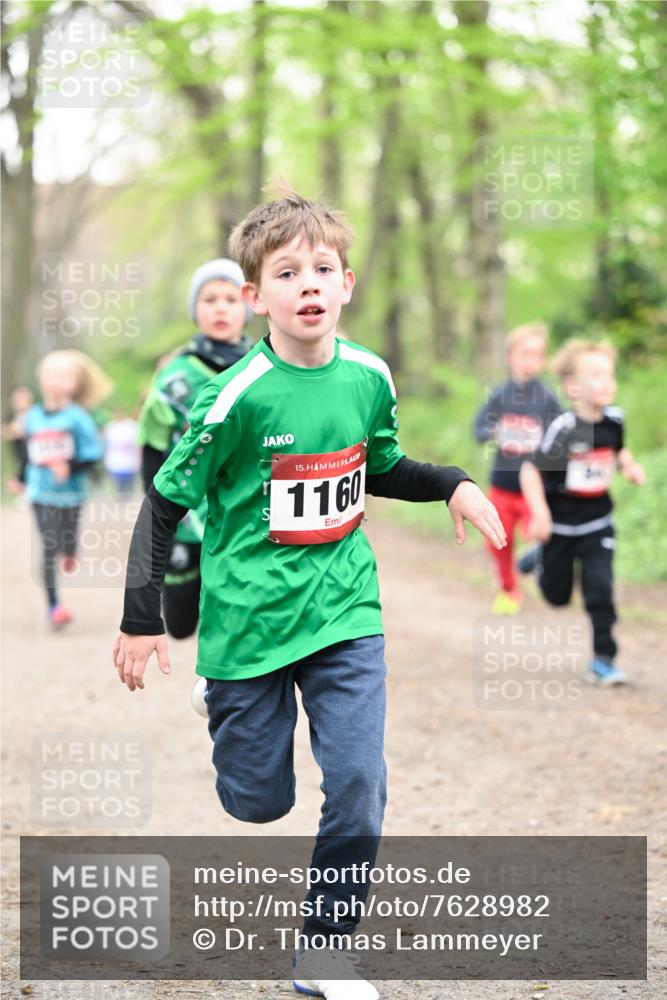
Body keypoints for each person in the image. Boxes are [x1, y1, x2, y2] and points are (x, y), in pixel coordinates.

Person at [112, 184, 506, 1000]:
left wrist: (453, 484)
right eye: (287, 273)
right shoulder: (235, 397)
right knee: (257, 803)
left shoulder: (367, 375)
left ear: (347, 283)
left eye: (322, 268)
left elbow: (384, 464)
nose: (309, 285)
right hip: (249, 620)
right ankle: (220, 696)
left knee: (359, 787)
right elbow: (164, 503)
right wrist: (141, 616)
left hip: (343, 609)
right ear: (256, 298)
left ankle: (323, 951)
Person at [137, 258, 254, 640]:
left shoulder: (264, 368)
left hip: (245, 515)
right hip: (187, 518)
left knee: (237, 617)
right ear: (195, 310)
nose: (221, 307)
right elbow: (153, 448)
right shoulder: (174, 376)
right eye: (209, 299)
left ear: (249, 305)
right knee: (182, 623)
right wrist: (158, 516)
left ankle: (225, 682)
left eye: (231, 299)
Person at [519, 339, 646, 686]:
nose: (606, 382)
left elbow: (618, 451)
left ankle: (604, 659)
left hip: (597, 524)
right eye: (595, 375)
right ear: (573, 387)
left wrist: (629, 466)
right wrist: (540, 514)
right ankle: (541, 557)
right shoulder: (563, 429)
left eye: (610, 375)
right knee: (557, 597)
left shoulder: (614, 420)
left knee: (600, 590)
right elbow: (530, 471)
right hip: (558, 526)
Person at [473, 322, 561, 615]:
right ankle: (508, 588)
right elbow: (479, 427)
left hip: (535, 489)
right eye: (525, 353)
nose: (530, 361)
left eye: (537, 355)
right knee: (498, 540)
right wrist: (493, 430)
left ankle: (534, 560)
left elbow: (561, 435)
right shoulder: (499, 395)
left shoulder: (548, 398)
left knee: (541, 534)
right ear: (511, 357)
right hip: (502, 483)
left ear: (544, 361)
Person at [25, 350, 111, 628]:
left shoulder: (78, 417)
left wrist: (69, 467)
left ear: (76, 382)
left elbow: (93, 454)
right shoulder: (33, 415)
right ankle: (54, 607)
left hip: (71, 494)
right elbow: (29, 451)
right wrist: (19, 477)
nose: (55, 381)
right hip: (40, 493)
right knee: (49, 546)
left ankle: (71, 551)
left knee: (67, 541)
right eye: (50, 374)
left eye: (63, 375)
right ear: (40, 380)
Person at [3, 385, 34, 495]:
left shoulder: (34, 414)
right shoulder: (13, 416)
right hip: (19, 452)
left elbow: (24, 430)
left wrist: (15, 431)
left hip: (31, 452)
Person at [103, 410, 141, 496]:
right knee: (118, 490)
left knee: (129, 490)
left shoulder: (132, 426)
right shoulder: (110, 427)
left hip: (130, 463)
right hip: (115, 463)